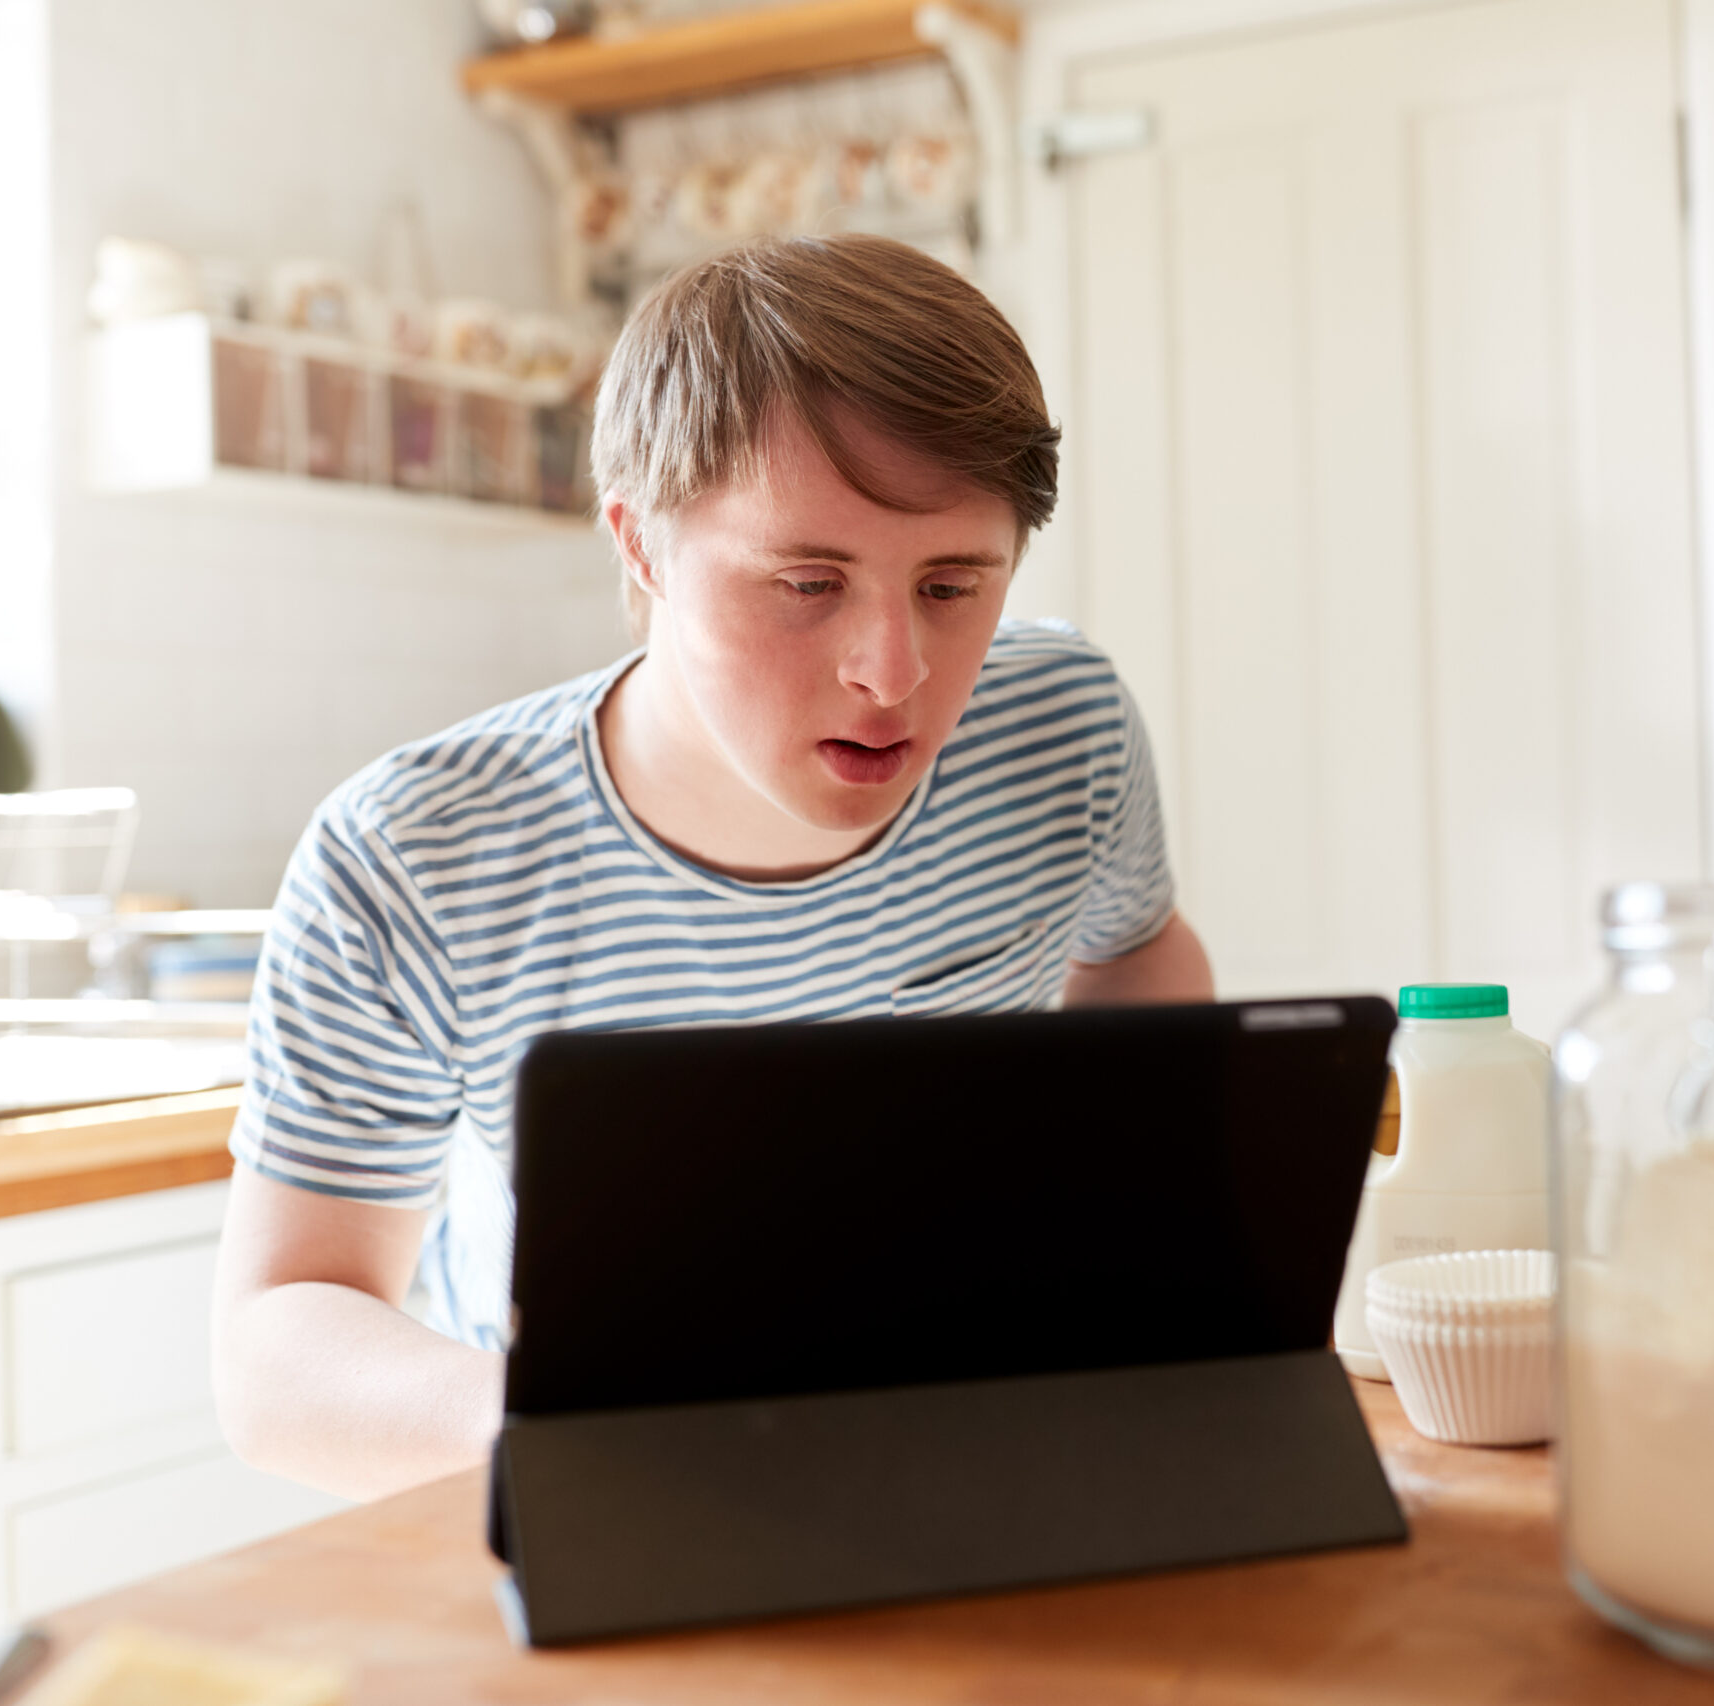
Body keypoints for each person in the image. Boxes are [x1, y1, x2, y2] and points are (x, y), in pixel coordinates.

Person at [212, 236, 1212, 1501]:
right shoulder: (414, 854)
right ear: (640, 545)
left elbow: (1139, 964)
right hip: (602, 1486)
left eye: (956, 584)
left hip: (975, 1443)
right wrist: (592, 1415)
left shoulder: (1062, 723)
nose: (892, 670)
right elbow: (275, 1345)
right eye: (806, 581)